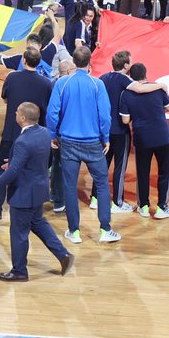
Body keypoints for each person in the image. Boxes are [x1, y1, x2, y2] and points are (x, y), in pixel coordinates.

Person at [0, 102, 75, 282]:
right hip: (39, 189)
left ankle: (19, 271)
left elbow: (13, 172)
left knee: (18, 234)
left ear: (23, 118)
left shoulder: (23, 141)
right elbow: (35, 158)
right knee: (39, 223)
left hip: (24, 194)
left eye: (17, 112)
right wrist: (16, 161)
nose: (15, 114)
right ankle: (63, 255)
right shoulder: (43, 132)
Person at [46, 45, 120, 245]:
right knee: (103, 185)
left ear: (74, 63)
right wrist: (105, 137)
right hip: (93, 143)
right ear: (90, 63)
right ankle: (105, 230)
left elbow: (52, 113)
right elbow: (105, 114)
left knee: (70, 186)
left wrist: (53, 135)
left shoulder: (62, 83)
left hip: (68, 142)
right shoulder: (97, 85)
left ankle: (74, 232)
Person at [0, 47, 54, 225]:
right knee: (35, 170)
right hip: (35, 136)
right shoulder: (46, 83)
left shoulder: (12, 78)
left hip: (11, 132)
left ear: (24, 60)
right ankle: (33, 210)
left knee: (2, 168)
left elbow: (5, 98)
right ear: (39, 63)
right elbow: (47, 110)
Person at [119, 63, 169, 219]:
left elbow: (125, 120)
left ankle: (143, 206)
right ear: (146, 74)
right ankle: (162, 208)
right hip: (163, 137)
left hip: (142, 138)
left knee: (142, 173)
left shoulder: (126, 94)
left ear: (131, 76)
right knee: (164, 173)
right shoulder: (158, 89)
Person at [96, 50, 136, 215]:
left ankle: (95, 198)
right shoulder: (125, 79)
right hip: (120, 129)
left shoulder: (103, 78)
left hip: (104, 131)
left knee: (102, 165)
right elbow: (139, 89)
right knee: (120, 166)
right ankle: (118, 202)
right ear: (126, 65)